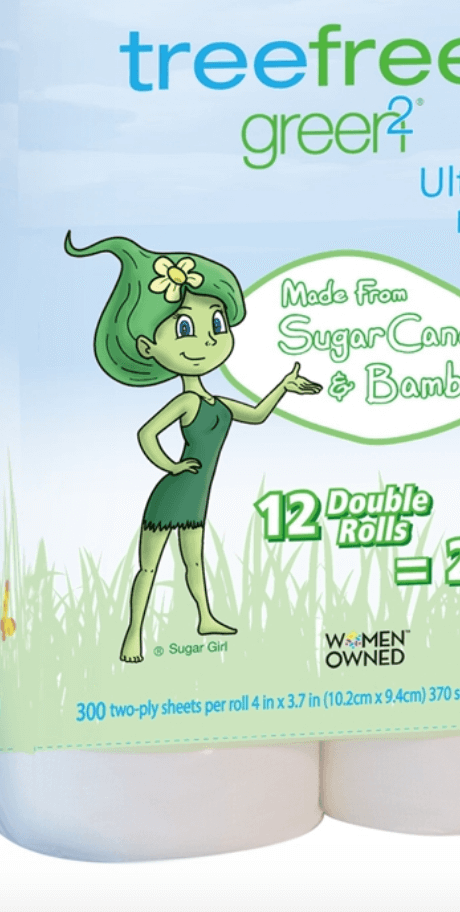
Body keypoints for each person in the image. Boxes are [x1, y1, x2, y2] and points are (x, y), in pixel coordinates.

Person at [65, 235, 322, 663]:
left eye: (216, 325)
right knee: (149, 566)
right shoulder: (186, 402)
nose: (206, 341)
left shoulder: (217, 404)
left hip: (196, 494)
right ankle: (132, 634)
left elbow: (257, 415)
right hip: (172, 493)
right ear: (148, 347)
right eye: (185, 329)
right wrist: (171, 466)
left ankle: (205, 617)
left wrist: (283, 386)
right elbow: (147, 434)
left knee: (195, 562)